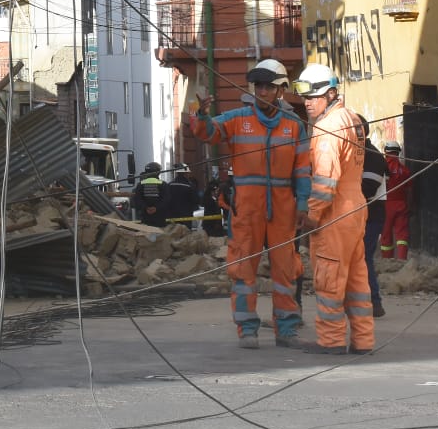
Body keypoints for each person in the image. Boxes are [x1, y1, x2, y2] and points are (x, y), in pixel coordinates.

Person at [189, 59, 311, 349]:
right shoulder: (237, 118)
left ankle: (287, 329)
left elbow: (303, 170)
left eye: (269, 86)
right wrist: (201, 115)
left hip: (283, 207)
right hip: (246, 207)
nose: (263, 91)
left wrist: (303, 203)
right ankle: (247, 329)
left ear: (281, 90)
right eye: (259, 86)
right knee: (243, 270)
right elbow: (208, 132)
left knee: (285, 271)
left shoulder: (294, 127)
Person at [293, 62, 374, 355]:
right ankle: (363, 341)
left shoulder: (327, 128)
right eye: (304, 96)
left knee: (329, 280)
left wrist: (312, 216)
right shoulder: (351, 119)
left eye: (313, 96)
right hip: (355, 208)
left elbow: (326, 179)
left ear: (330, 94)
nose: (307, 102)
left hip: (335, 213)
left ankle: (331, 341)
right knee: (356, 279)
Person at [360, 124, 388, 318]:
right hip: (359, 214)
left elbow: (368, 188)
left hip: (371, 214)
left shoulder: (372, 156)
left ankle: (374, 301)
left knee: (363, 257)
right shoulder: (357, 153)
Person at [381, 140, 412, 260]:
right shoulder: (405, 171)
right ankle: (401, 260)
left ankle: (387, 260)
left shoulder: (382, 168)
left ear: (386, 152)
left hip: (386, 205)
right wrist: (409, 206)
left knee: (386, 234)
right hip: (401, 205)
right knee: (402, 234)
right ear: (398, 153)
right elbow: (409, 191)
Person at [133, 162, 169, 227]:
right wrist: (156, 208)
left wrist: (146, 208)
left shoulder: (140, 184)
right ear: (158, 172)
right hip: (159, 218)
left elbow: (137, 200)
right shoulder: (163, 184)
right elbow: (166, 200)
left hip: (145, 217)